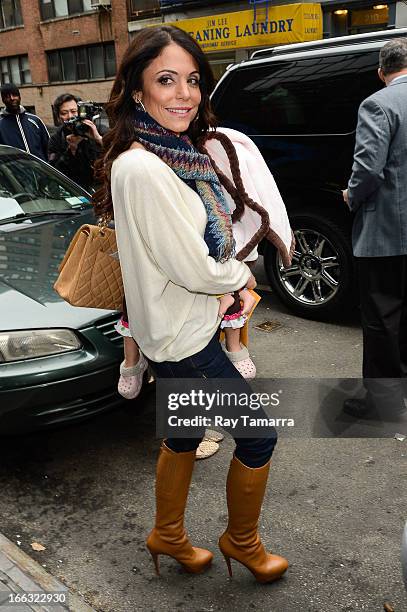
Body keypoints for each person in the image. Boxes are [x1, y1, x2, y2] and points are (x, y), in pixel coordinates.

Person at [93, 25, 289, 582]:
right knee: (259, 434)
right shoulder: (145, 166)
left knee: (182, 432)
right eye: (165, 80)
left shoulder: (173, 153)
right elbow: (194, 267)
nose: (184, 94)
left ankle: (168, 535)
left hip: (176, 327)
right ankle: (242, 542)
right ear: (137, 90)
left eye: (192, 81)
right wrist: (240, 276)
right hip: (182, 335)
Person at [342, 38, 407, 420]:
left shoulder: (377, 104)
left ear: (381, 72)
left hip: (387, 231)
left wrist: (352, 195)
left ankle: (384, 402)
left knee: (382, 318)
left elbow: (368, 169)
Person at [48, 93, 103, 192]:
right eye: (64, 113)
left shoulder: (98, 129)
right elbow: (54, 172)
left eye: (74, 111)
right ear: (58, 117)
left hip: (102, 190)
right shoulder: (56, 138)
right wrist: (71, 150)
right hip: (77, 192)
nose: (70, 116)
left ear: (81, 111)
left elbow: (118, 153)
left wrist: (99, 139)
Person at [0, 83, 49, 161]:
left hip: (41, 171)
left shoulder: (35, 120)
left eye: (14, 95)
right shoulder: (1, 125)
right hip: (18, 172)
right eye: (7, 96)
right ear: (3, 100)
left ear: (19, 97)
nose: (12, 98)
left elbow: (48, 147)